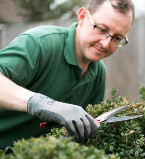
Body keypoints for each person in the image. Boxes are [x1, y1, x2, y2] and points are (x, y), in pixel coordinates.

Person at [0, 0, 135, 150]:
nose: (105, 44)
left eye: (117, 38)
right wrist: (38, 102)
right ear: (82, 16)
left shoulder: (98, 72)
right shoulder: (39, 44)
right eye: (102, 29)